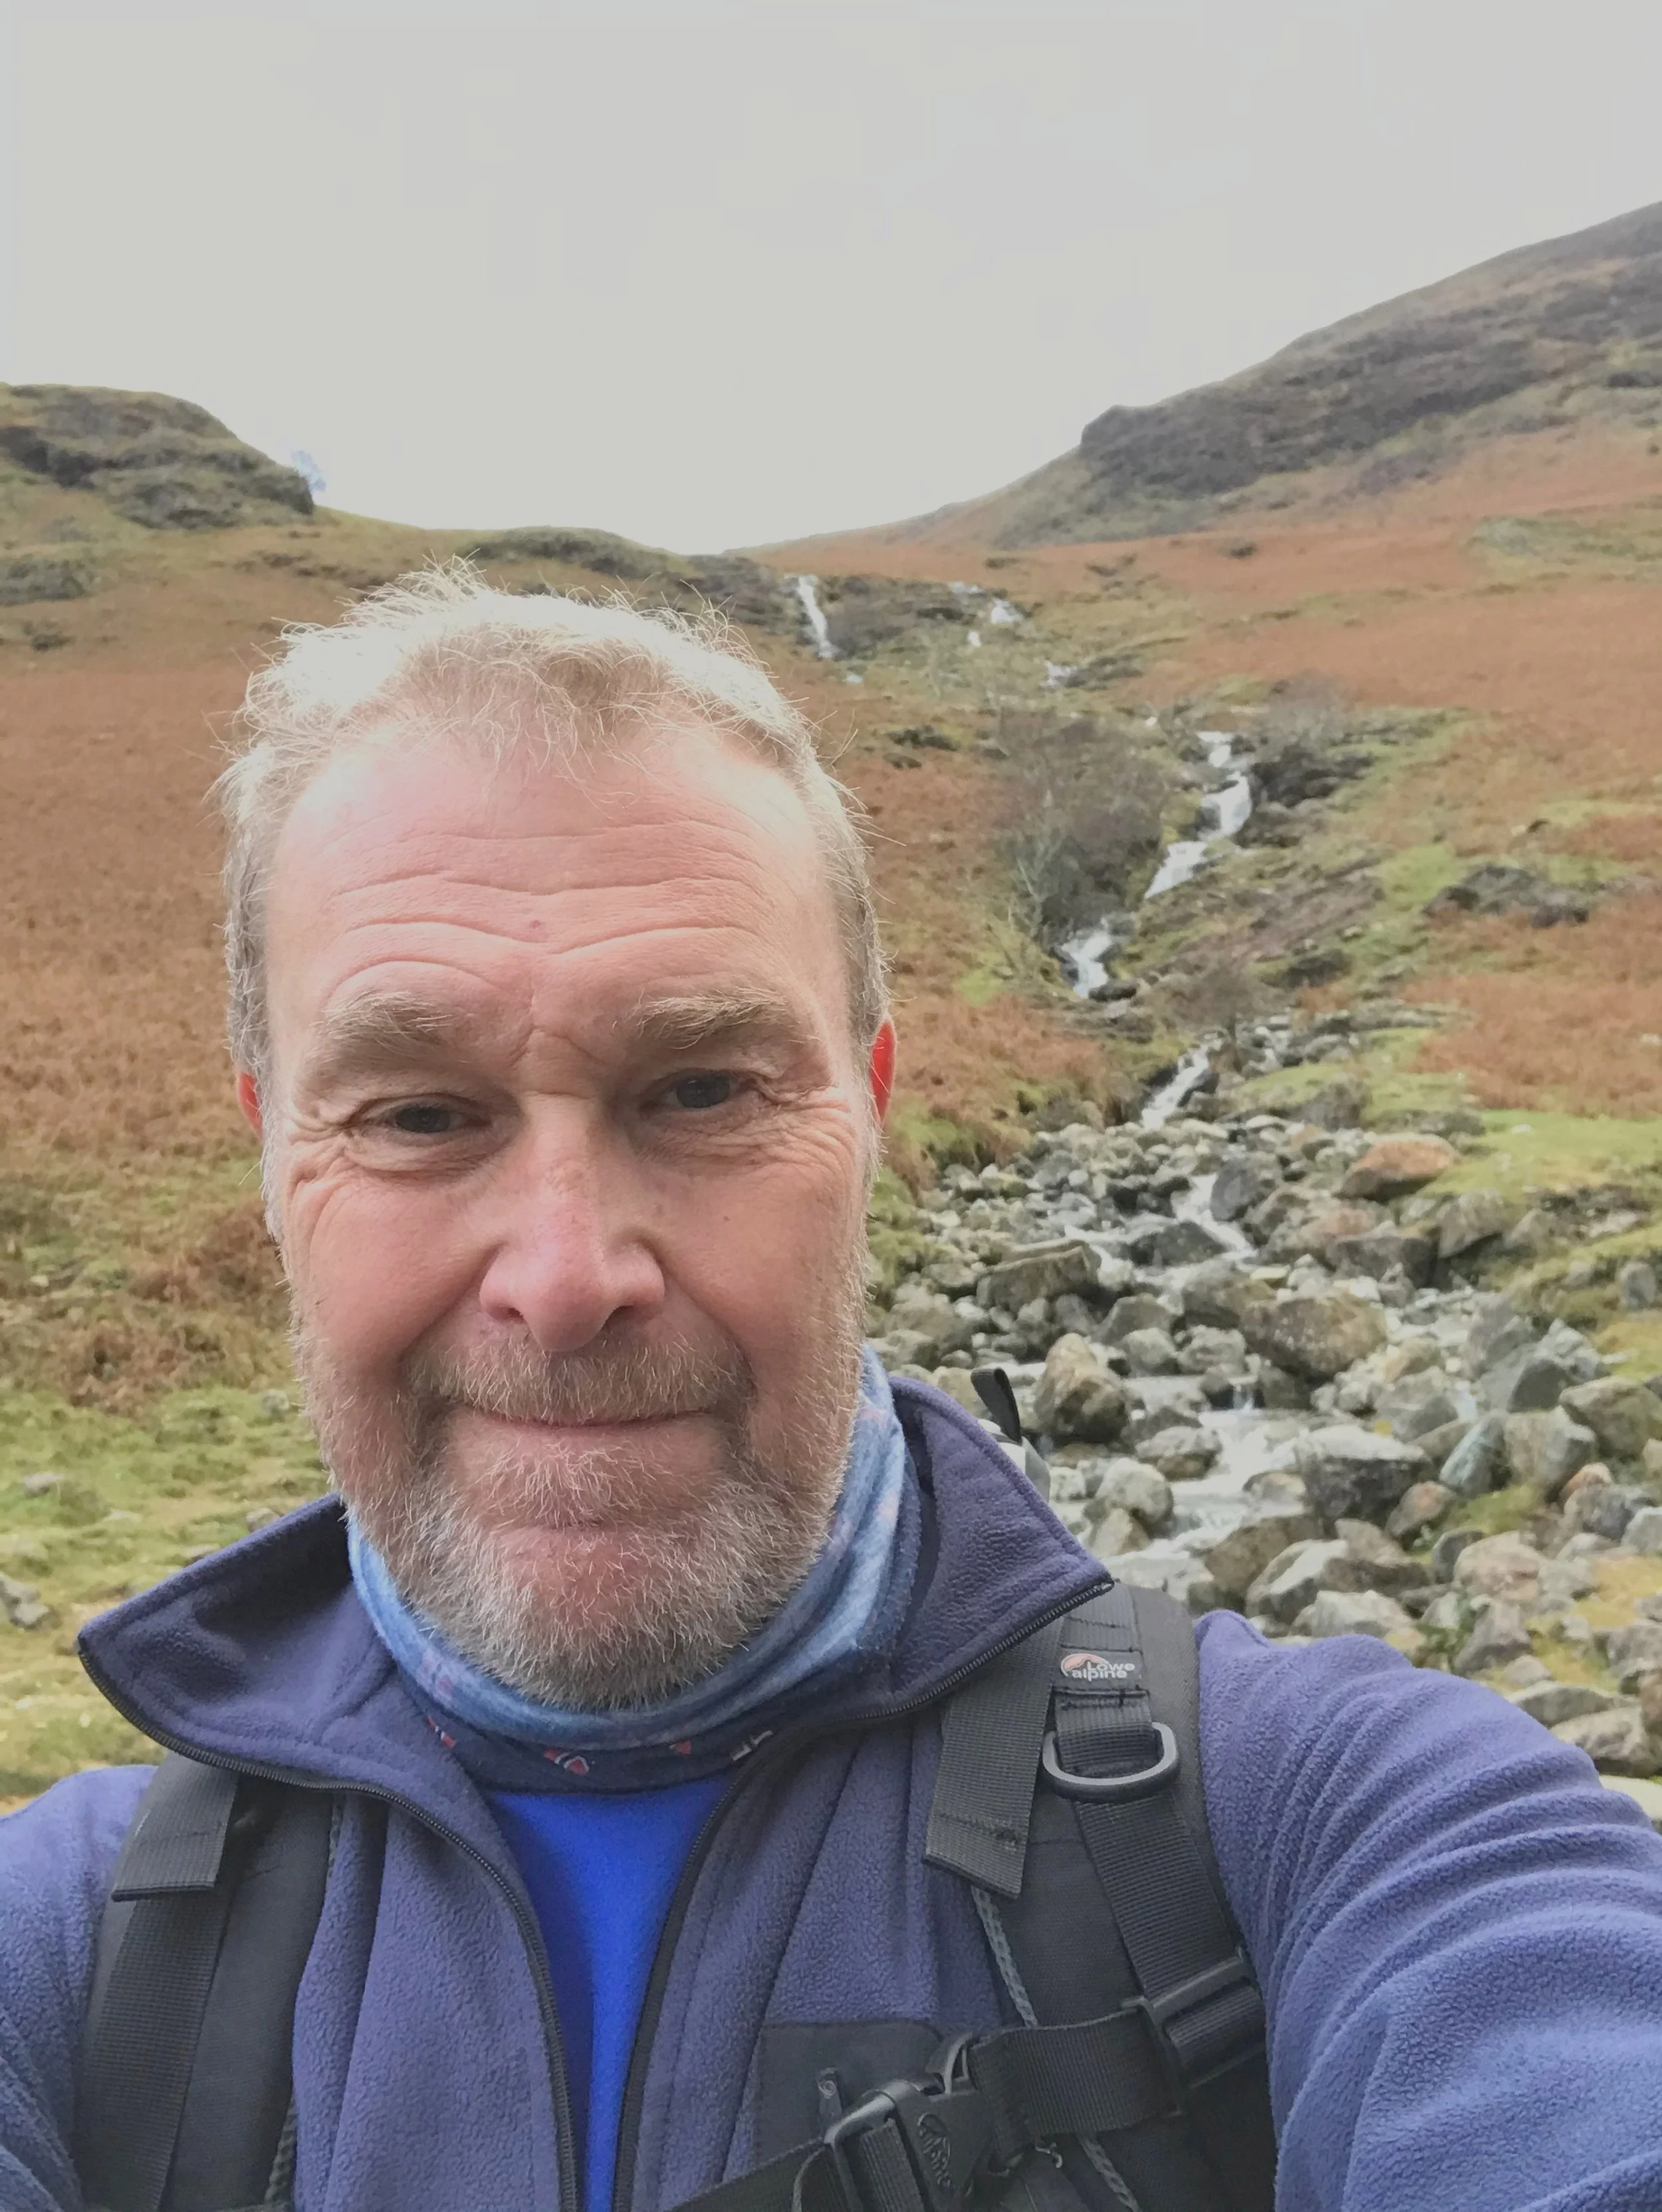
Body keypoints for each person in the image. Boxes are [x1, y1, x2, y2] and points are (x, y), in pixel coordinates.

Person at [4, 566, 1662, 2212]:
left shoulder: (1335, 1818)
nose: (567, 1274)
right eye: (419, 1113)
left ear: (869, 1104)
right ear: (269, 1143)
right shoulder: (69, 1950)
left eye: (704, 1085)